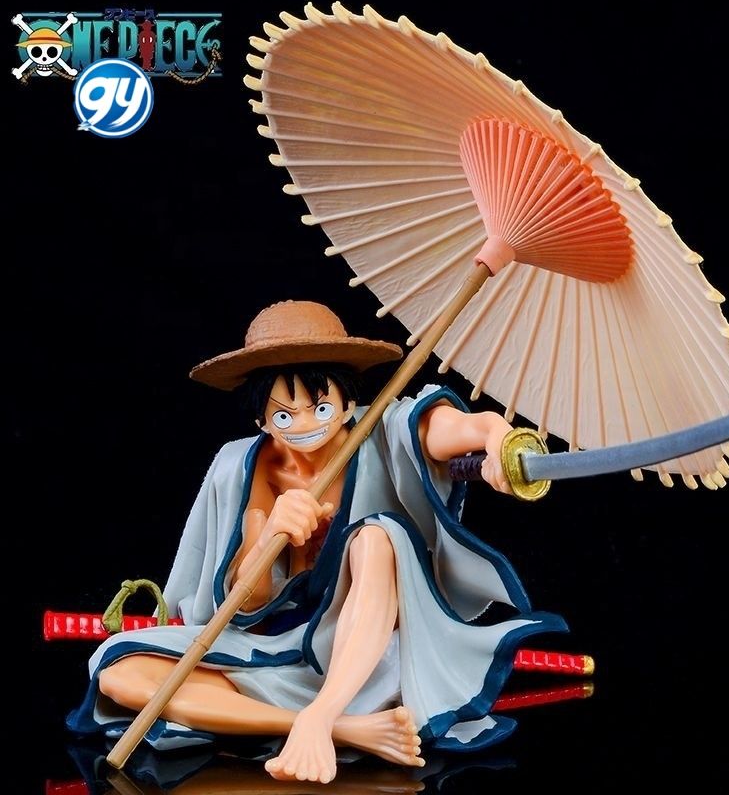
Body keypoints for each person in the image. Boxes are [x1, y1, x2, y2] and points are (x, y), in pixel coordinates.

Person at [67, 300, 568, 784]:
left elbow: (453, 428)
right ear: (261, 419)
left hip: (365, 653)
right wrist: (268, 534)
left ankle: (326, 711)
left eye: (322, 407)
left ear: (348, 403)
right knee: (118, 672)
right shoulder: (241, 467)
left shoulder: (382, 429)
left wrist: (498, 439)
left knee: (379, 535)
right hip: (273, 649)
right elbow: (247, 602)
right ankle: (335, 728)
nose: (306, 425)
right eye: (285, 416)